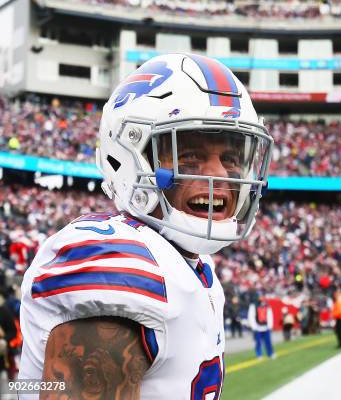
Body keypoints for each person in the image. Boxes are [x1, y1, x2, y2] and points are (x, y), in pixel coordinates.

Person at [17, 53, 273, 399]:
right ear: (128, 156)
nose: (219, 175)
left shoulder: (195, 266)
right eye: (190, 155)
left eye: (230, 158)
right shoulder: (124, 265)